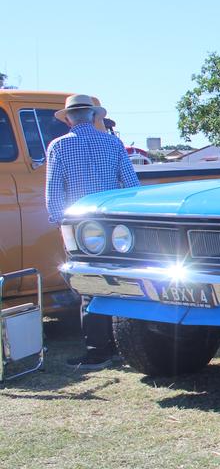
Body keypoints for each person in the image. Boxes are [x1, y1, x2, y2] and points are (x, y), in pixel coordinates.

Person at [45, 94, 140, 369]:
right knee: (119, 282)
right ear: (93, 115)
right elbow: (131, 184)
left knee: (88, 286)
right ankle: (122, 343)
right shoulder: (113, 143)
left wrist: (60, 223)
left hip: (80, 225)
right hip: (111, 223)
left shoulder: (59, 146)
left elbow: (54, 192)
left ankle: (98, 349)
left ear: (69, 119)